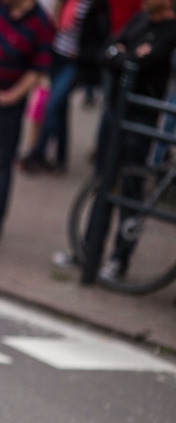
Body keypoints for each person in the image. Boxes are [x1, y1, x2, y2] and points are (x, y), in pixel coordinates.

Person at [53, 0, 176, 279]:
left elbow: (140, 61)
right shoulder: (139, 20)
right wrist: (125, 55)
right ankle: (88, 252)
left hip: (140, 119)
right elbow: (106, 52)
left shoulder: (170, 31)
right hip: (114, 113)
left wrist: (123, 55)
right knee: (101, 184)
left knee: (129, 189)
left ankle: (119, 261)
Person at [0, 0, 55, 218]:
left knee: (1, 163)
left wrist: (12, 96)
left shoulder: (41, 22)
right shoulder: (2, 8)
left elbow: (38, 69)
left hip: (7, 104)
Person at [22, 0, 94, 173]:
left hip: (74, 62)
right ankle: (61, 158)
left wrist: (86, 55)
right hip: (56, 56)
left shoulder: (94, 5)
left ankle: (37, 153)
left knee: (52, 105)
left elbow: (98, 33)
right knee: (60, 109)